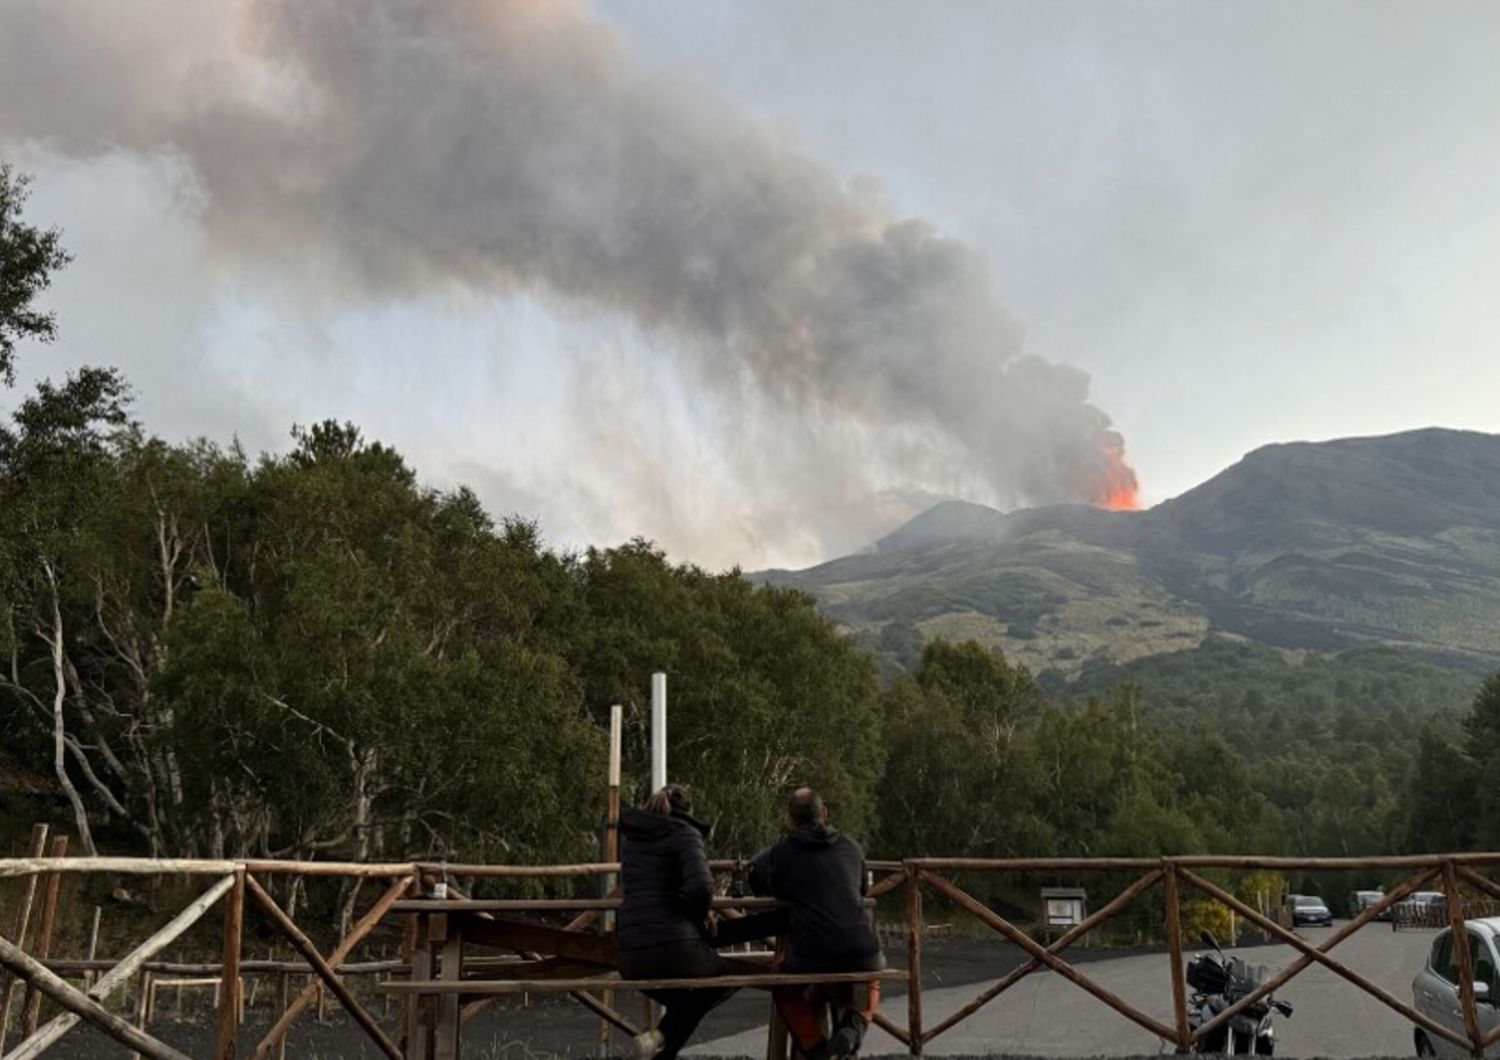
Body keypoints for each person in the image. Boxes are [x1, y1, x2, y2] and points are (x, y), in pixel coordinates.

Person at [749, 788, 884, 1060]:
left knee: (782, 983)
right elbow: (862, 890)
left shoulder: (784, 853)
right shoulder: (851, 846)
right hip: (863, 950)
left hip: (812, 953)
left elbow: (766, 885)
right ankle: (853, 1028)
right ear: (825, 814)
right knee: (872, 974)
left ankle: (815, 1049)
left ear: (790, 820)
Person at [617, 784, 731, 1060]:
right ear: (687, 810)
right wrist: (701, 916)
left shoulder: (632, 839)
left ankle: (657, 1040)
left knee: (684, 1001)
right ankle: (659, 1041)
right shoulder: (684, 833)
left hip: (629, 951)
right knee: (721, 981)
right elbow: (702, 888)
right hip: (671, 946)